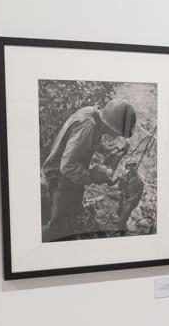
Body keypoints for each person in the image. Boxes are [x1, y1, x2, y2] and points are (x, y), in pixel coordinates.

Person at [41, 99, 137, 242]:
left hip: (71, 178)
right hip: (61, 178)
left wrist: (105, 149)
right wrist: (93, 175)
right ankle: (34, 246)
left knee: (73, 213)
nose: (117, 136)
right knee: (59, 229)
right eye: (117, 133)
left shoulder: (93, 114)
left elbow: (87, 138)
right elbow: (67, 166)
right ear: (110, 125)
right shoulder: (88, 126)